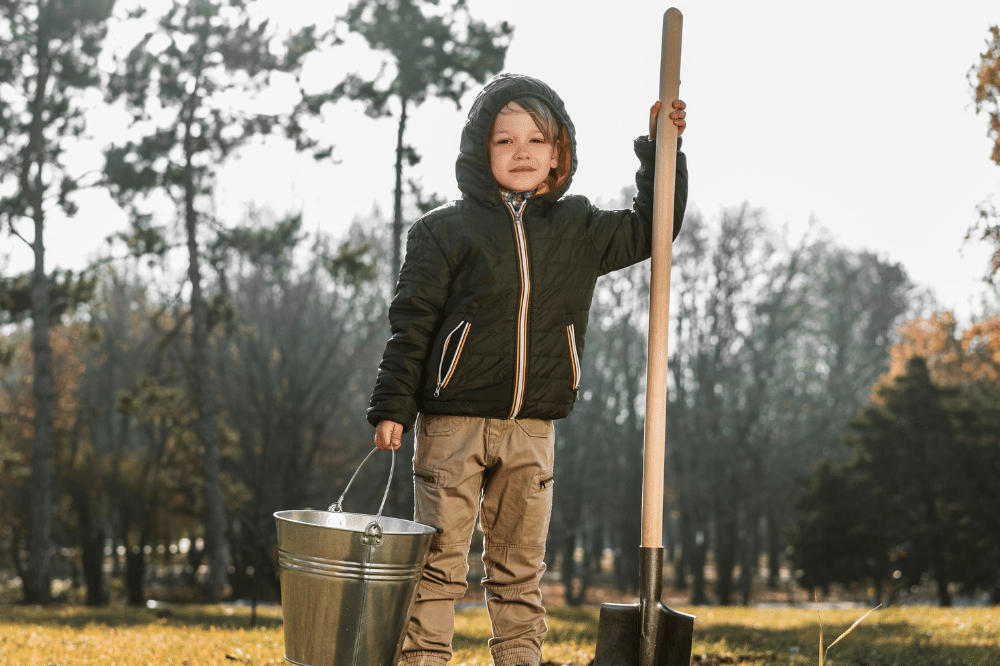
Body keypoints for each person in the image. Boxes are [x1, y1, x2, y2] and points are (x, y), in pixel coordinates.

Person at [367, 73, 687, 666]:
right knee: (438, 570)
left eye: (535, 140)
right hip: (450, 428)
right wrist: (392, 407)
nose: (521, 153)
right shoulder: (444, 232)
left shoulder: (580, 228)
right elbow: (411, 323)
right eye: (504, 141)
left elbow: (653, 226)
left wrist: (660, 149)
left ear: (559, 152)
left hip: (532, 430)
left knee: (518, 574)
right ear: (479, 152)